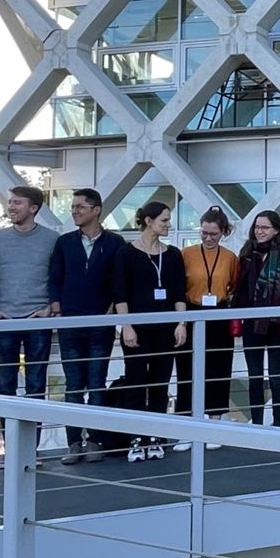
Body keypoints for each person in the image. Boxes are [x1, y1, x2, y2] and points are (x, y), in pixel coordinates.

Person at [50, 187, 126, 464]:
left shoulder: (115, 243)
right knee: (74, 384)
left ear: (96, 210)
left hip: (100, 325)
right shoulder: (65, 242)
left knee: (96, 383)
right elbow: (55, 277)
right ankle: (73, 443)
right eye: (73, 207)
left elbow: (118, 282)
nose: (74, 211)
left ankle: (95, 440)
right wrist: (57, 309)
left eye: (80, 207)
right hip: (70, 321)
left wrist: (108, 314)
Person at [112, 201, 187, 460]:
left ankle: (155, 435)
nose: (168, 224)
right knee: (135, 381)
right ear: (149, 221)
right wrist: (127, 326)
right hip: (137, 329)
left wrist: (181, 323)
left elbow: (178, 293)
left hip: (165, 328)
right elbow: (120, 294)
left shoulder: (173, 254)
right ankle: (135, 437)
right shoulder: (126, 253)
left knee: (160, 382)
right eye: (164, 220)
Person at [0, 186, 58, 440]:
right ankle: (10, 449)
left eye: (17, 202)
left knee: (36, 386)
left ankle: (31, 448)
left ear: (33, 208)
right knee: (5, 386)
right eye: (10, 202)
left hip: (38, 320)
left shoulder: (51, 239)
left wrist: (50, 307)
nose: (11, 207)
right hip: (4, 319)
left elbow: (57, 277)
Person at [176, 205, 238, 449]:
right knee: (186, 369)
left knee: (219, 366)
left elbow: (233, 284)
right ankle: (187, 426)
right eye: (204, 233)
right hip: (192, 311)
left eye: (213, 234)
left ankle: (214, 423)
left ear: (223, 232)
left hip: (219, 313)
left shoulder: (230, 257)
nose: (208, 238)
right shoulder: (186, 254)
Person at [231, 211, 280, 426]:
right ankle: (257, 422)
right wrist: (236, 325)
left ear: (276, 230)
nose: (259, 231)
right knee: (254, 375)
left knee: (276, 376)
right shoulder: (246, 253)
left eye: (265, 228)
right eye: (257, 227)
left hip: (276, 324)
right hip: (252, 323)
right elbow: (237, 291)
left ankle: (279, 424)